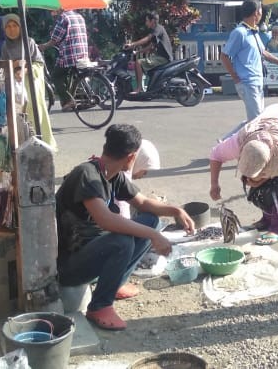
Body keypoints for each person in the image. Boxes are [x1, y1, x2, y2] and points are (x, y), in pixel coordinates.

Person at [56, 124, 196, 331]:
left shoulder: (113, 175)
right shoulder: (87, 174)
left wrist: (176, 210)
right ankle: (100, 306)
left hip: (92, 249)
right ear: (131, 157)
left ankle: (115, 284)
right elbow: (106, 220)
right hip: (69, 264)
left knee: (151, 220)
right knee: (122, 241)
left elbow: (144, 204)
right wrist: (154, 236)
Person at [209, 104, 278, 246]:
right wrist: (214, 184)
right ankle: (268, 219)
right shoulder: (238, 142)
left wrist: (264, 178)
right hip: (268, 122)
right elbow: (216, 155)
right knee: (263, 189)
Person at [221, 0, 278, 122]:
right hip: (247, 83)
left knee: (256, 120)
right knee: (257, 122)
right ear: (256, 12)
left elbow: (264, 53)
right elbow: (224, 56)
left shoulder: (254, 32)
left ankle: (228, 140)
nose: (262, 13)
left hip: (257, 82)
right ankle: (229, 140)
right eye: (261, 10)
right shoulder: (240, 33)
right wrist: (235, 77)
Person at [0, 14, 55, 148]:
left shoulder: (29, 42)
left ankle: (40, 144)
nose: (12, 30)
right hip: (15, 87)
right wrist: (14, 66)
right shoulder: (5, 46)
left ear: (20, 27)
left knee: (33, 112)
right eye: (8, 27)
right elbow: (2, 66)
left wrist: (25, 70)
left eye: (14, 26)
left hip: (30, 85)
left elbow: (39, 64)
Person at [42, 8, 90, 111]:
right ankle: (68, 101)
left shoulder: (63, 17)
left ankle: (68, 100)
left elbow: (55, 39)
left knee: (56, 76)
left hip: (69, 54)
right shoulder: (79, 16)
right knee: (67, 74)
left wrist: (43, 46)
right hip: (82, 53)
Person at [124, 11, 174, 93]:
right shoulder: (157, 31)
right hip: (160, 57)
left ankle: (139, 88)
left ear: (153, 21)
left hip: (163, 58)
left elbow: (147, 38)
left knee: (138, 63)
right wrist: (138, 52)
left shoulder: (158, 28)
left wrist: (132, 44)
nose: (146, 22)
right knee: (140, 62)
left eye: (147, 20)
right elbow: (150, 46)